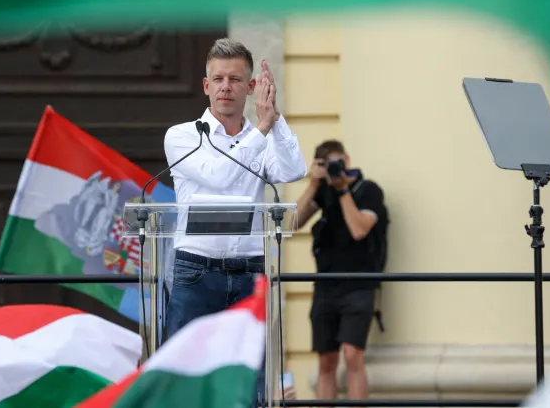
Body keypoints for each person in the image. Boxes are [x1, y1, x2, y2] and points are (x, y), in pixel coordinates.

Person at [163, 38, 307, 401]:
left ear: (251, 87)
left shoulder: (261, 135)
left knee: (251, 385)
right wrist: (261, 131)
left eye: (236, 79)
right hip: (195, 272)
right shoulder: (182, 136)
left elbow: (294, 169)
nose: (226, 87)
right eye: (219, 79)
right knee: (186, 383)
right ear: (206, 85)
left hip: (249, 270)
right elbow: (219, 175)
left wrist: (274, 119)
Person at [293, 140, 388, 401]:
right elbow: (291, 224)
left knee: (352, 354)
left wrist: (343, 190)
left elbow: (359, 229)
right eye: (328, 165)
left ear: (347, 159)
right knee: (326, 360)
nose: (336, 169)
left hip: (359, 283)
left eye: (338, 163)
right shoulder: (322, 191)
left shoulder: (368, 191)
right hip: (326, 285)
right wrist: (313, 183)